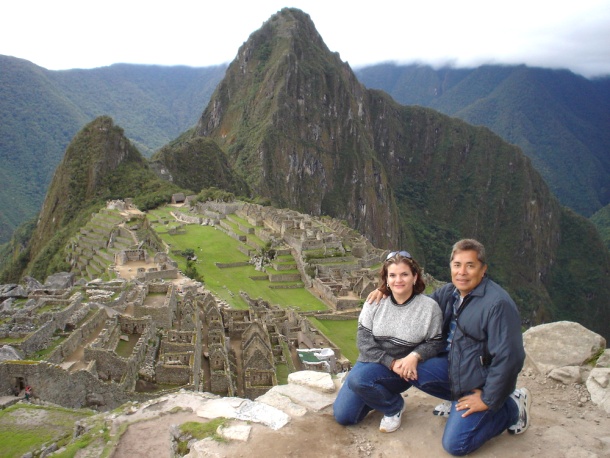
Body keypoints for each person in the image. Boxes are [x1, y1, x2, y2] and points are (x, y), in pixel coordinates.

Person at [366, 239, 530, 456]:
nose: (462, 272)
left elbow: (511, 357)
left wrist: (488, 398)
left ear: (483, 269)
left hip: (479, 379)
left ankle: (511, 408)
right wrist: (387, 289)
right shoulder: (449, 294)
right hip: (455, 367)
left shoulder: (497, 304)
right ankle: (455, 398)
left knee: (456, 445)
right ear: (451, 266)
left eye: (470, 266)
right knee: (413, 370)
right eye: (457, 265)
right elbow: (415, 307)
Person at [333, 250, 445, 433]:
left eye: (404, 274)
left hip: (403, 370)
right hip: (373, 362)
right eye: (392, 275)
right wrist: (390, 363)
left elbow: (435, 342)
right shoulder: (374, 302)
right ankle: (374, 392)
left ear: (415, 277)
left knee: (358, 380)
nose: (398, 280)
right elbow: (364, 342)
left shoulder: (428, 308)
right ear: (386, 279)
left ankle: (393, 407)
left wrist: (415, 356)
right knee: (345, 416)